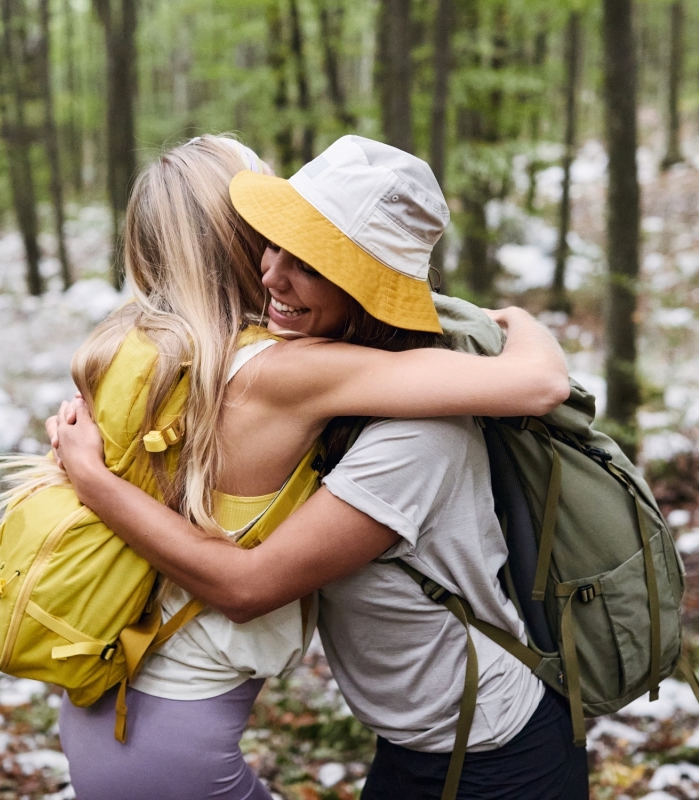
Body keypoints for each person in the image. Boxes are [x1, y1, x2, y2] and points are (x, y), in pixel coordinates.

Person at [49, 135, 579, 800]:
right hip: (416, 748)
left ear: (366, 285)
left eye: (308, 262)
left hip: (492, 758)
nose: (270, 274)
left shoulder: (411, 436)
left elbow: (249, 586)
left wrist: (95, 482)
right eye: (269, 244)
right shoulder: (326, 382)